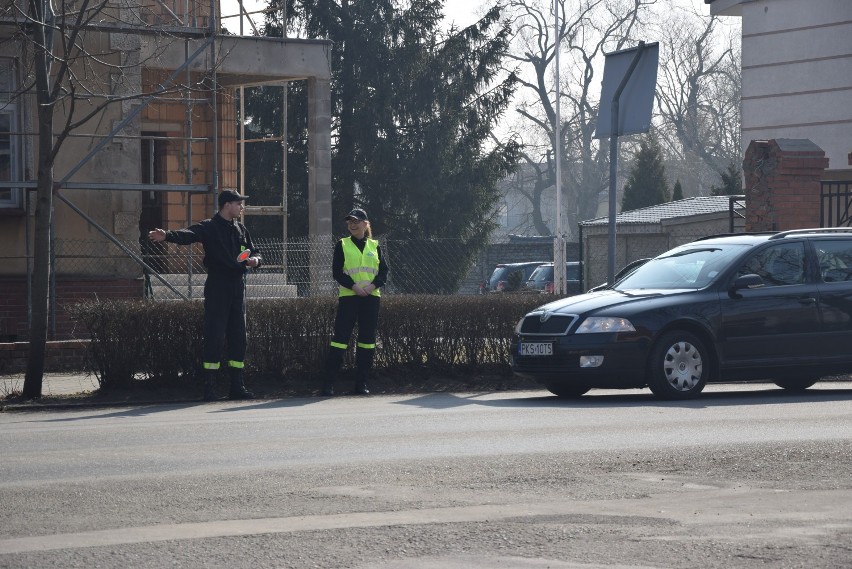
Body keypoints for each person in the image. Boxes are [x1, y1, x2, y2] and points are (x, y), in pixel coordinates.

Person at [148, 189, 261, 401]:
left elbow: (254, 251)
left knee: (239, 336)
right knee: (215, 335)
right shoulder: (209, 227)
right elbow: (189, 235)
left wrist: (256, 260)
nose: (242, 207)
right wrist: (167, 236)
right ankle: (209, 388)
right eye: (239, 203)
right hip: (218, 285)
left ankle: (237, 386)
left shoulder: (241, 229)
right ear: (227, 205)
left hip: (238, 286)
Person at [322, 208, 389, 396]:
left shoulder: (375, 246)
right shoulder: (342, 244)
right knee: (340, 340)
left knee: (367, 342)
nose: (352, 224)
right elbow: (337, 272)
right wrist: (354, 287)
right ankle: (328, 384)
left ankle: (361, 384)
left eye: (356, 221)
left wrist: (372, 286)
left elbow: (383, 272)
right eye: (350, 221)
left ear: (365, 224)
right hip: (349, 298)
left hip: (371, 298)